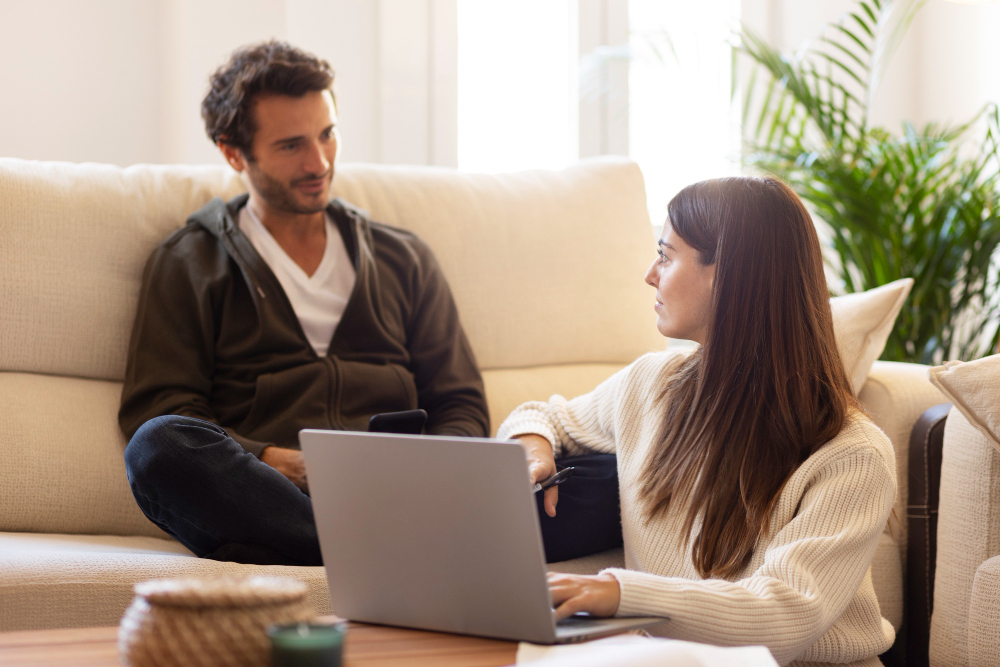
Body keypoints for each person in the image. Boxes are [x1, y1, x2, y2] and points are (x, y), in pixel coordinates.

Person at [499, 176, 896, 666]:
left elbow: (784, 614)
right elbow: (543, 416)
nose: (650, 274)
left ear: (727, 274)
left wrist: (619, 594)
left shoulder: (853, 454)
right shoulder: (651, 384)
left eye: (665, 256)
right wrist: (533, 450)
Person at [119, 41, 488, 567]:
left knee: (592, 474)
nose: (320, 162)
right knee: (158, 446)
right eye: (291, 145)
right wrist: (280, 462)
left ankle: (356, 546)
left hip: (405, 492)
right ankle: (386, 552)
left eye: (327, 134)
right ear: (233, 153)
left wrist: (424, 472)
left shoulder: (403, 257)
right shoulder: (189, 261)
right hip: (274, 495)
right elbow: (162, 409)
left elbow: (462, 406)